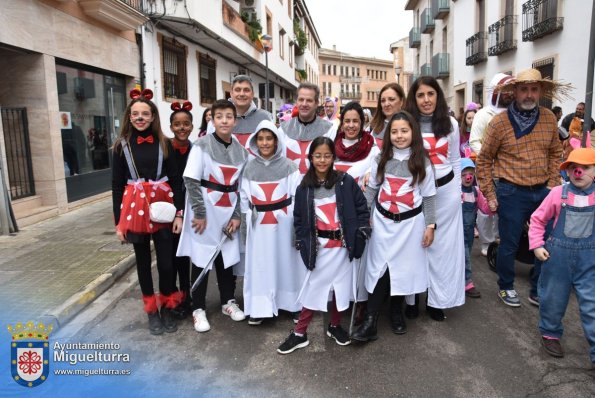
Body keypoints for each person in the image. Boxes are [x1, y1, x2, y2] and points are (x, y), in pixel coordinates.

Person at [475, 68, 566, 307]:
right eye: (523, 89)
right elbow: (484, 160)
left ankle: (537, 288)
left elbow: (557, 153)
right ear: (514, 92)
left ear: (540, 92)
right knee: (510, 243)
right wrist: (490, 193)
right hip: (511, 192)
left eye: (533, 89)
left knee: (545, 242)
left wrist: (553, 185)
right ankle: (505, 286)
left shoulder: (548, 118)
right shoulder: (499, 123)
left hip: (543, 193)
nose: (528, 95)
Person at [277, 137, 370, 354]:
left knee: (340, 287)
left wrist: (363, 229)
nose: (322, 160)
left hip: (343, 246)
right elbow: (299, 219)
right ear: (310, 157)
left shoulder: (345, 182)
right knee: (313, 289)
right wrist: (301, 242)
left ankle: (335, 325)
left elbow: (361, 207)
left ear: (333, 157)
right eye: (317, 156)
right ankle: (300, 333)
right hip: (319, 249)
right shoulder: (304, 188)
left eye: (327, 156)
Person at [352, 111, 436, 342]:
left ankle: (396, 311)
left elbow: (428, 196)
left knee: (402, 270)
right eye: (395, 131)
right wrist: (364, 215)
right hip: (383, 223)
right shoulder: (381, 158)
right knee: (380, 269)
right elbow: (372, 188)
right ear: (389, 134)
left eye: (404, 131)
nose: (399, 136)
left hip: (410, 226)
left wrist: (430, 225)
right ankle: (371, 320)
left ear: (413, 133)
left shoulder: (422, 161)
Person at [111, 88, 184, 335]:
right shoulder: (121, 147)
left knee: (166, 264)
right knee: (142, 264)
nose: (140, 118)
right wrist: (119, 224)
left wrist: (179, 214)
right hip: (134, 210)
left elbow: (176, 180)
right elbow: (116, 186)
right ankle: (152, 312)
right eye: (135, 114)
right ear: (129, 117)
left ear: (153, 117)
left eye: (145, 114)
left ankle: (167, 307)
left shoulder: (166, 144)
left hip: (163, 208)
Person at [177, 99, 249, 333]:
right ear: (212, 119)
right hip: (206, 211)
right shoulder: (201, 145)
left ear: (235, 120)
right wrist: (199, 212)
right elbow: (191, 179)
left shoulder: (240, 150)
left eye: (229, 116)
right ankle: (198, 309)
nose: (225, 121)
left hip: (228, 210)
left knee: (226, 256)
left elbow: (241, 186)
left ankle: (228, 301)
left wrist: (237, 215)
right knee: (202, 258)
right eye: (220, 117)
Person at [404, 76, 465, 321]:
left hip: (446, 193)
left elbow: (455, 161)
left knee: (442, 249)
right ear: (414, 98)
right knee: (413, 246)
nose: (426, 99)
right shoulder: (407, 123)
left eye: (431, 94)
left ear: (438, 96)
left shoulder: (450, 123)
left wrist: (458, 192)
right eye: (420, 95)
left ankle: (436, 300)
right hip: (416, 193)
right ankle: (410, 299)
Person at [528, 147, 595, 364]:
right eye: (574, 168)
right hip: (557, 259)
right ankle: (550, 333)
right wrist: (537, 245)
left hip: (589, 261)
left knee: (592, 304)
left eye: (585, 168)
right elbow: (537, 220)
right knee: (553, 297)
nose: (579, 172)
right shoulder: (558, 193)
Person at [239, 120, 303, 325]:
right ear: (255, 141)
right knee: (260, 266)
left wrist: (296, 227)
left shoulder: (290, 167)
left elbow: (298, 197)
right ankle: (260, 308)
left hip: (284, 224)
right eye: (261, 138)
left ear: (276, 141)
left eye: (269, 138)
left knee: (287, 264)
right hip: (258, 226)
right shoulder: (248, 168)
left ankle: (292, 304)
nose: (265, 143)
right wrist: (244, 225)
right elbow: (243, 199)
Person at [469, 73, 514, 256]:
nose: (509, 95)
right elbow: (475, 141)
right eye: (505, 92)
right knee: (487, 207)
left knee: (505, 207)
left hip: (510, 171)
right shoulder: (482, 115)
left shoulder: (515, 113)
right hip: (488, 170)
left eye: (512, 91)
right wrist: (489, 159)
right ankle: (487, 242)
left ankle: (499, 238)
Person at [168, 101, 193, 319]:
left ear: (192, 127)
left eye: (186, 124)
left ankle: (187, 297)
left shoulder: (196, 150)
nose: (182, 128)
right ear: (171, 127)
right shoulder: (164, 151)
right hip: (170, 210)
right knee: (171, 258)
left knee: (186, 256)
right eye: (177, 124)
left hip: (190, 209)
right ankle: (172, 298)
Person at [279, 83, 336, 175]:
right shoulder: (283, 130)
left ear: (316, 103)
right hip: (290, 186)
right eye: (301, 100)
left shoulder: (329, 130)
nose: (304, 104)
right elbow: (279, 162)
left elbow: (333, 163)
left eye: (309, 100)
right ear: (296, 102)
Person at [460, 158, 492, 299]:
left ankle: (460, 280)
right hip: (456, 233)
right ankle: (467, 282)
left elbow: (484, 208)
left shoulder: (476, 192)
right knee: (464, 257)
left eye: (471, 174)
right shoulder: (455, 191)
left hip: (469, 233)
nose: (468, 177)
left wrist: (492, 206)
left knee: (465, 256)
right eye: (464, 174)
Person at [229, 75, 272, 147]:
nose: (242, 94)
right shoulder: (218, 118)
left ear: (252, 94)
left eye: (246, 90)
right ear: (231, 93)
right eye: (237, 90)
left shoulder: (265, 117)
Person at [369, 83, 406, 148]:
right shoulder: (372, 127)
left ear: (401, 101)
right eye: (383, 101)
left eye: (391, 99)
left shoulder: (413, 125)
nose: (386, 104)